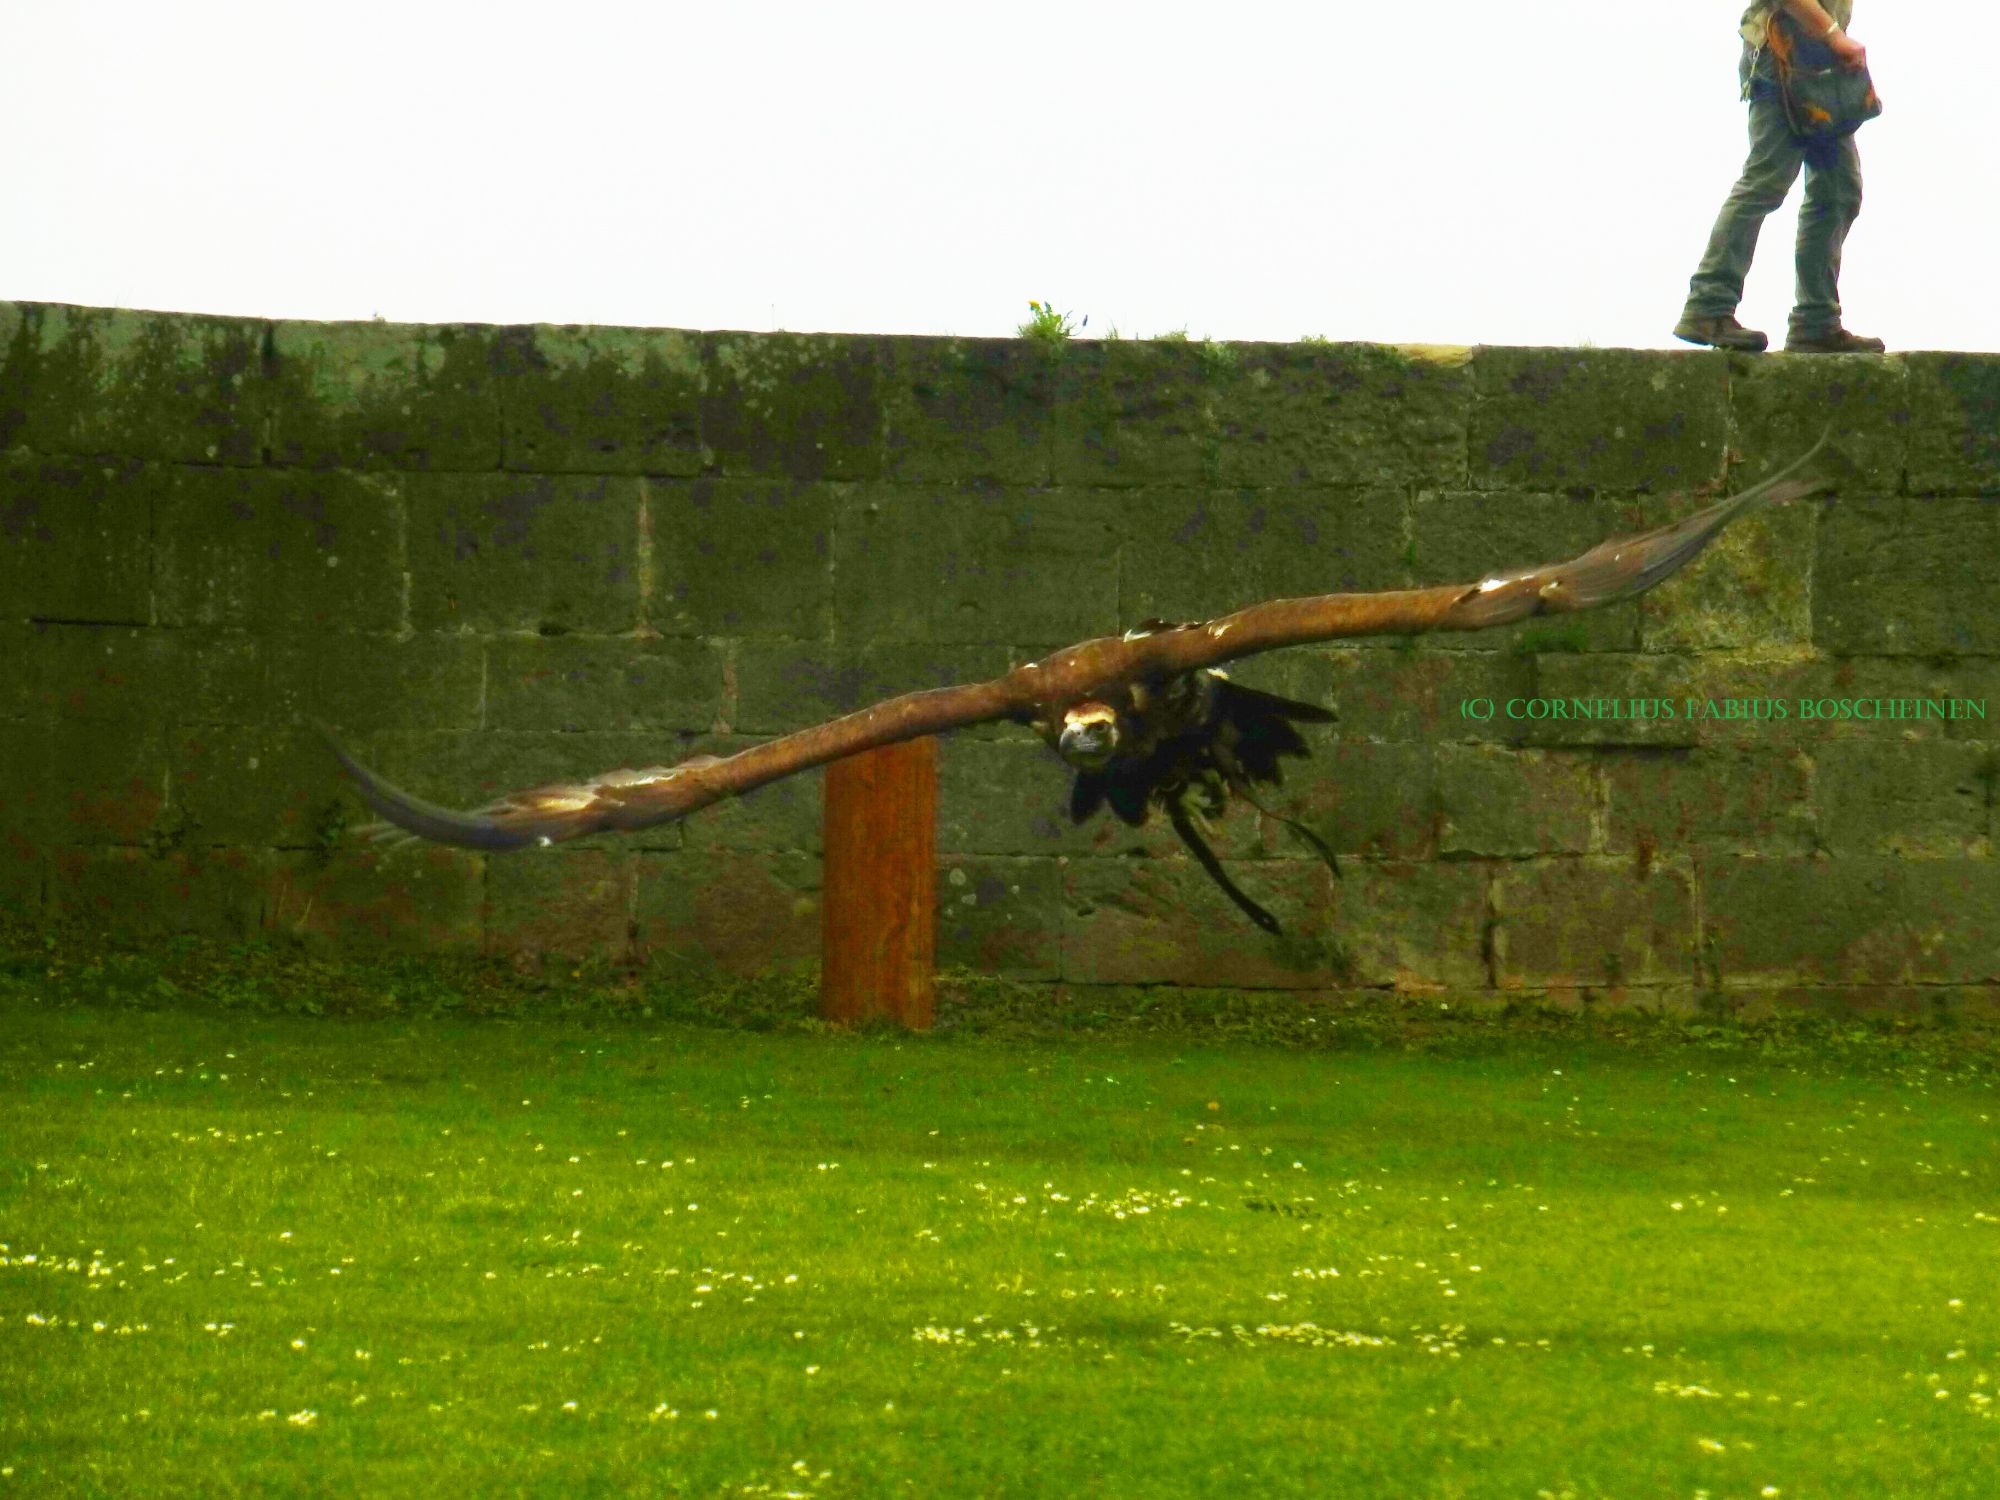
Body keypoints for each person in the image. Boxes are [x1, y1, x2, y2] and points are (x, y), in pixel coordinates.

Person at [1674, 1, 1885, 354]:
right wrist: (1833, 35)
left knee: (1837, 192)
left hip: (1817, 60)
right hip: (1781, 52)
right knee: (1765, 182)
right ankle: (1708, 306)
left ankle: (1816, 324)